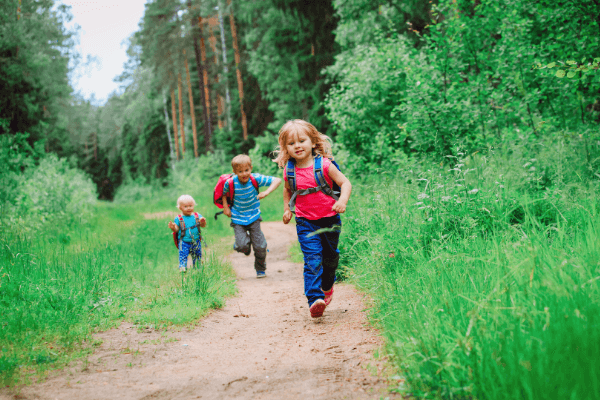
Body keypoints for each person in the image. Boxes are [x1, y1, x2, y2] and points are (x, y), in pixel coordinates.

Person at [274, 119, 352, 318]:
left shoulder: (325, 165)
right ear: (286, 148)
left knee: (330, 258)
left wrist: (342, 201)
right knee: (312, 259)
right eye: (291, 143)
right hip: (305, 221)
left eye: (302, 140)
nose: (297, 146)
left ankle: (327, 287)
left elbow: (345, 183)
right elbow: (287, 190)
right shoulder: (289, 170)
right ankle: (314, 299)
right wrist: (287, 209)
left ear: (313, 141)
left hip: (330, 219)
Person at [222, 154, 281, 278]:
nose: (244, 174)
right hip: (237, 218)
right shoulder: (230, 182)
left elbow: (277, 180)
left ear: (251, 168)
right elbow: (224, 193)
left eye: (246, 170)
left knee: (260, 246)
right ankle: (242, 246)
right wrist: (226, 207)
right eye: (240, 171)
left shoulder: (255, 179)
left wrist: (266, 192)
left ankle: (260, 270)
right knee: (242, 245)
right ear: (234, 171)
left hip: (254, 217)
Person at [168, 195, 207, 273]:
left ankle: (197, 268)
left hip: (196, 240)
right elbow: (177, 229)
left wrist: (203, 222)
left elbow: (203, 226)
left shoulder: (197, 216)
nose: (189, 208)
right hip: (184, 241)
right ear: (180, 208)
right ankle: (182, 267)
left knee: (197, 255)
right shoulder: (179, 218)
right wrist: (173, 227)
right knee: (183, 255)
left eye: (190, 206)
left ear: (193, 205)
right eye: (185, 206)